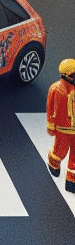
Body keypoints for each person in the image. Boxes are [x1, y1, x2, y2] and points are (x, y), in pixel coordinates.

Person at [47, 59, 75, 193]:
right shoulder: (56, 88)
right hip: (63, 128)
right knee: (60, 151)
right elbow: (51, 108)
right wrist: (51, 126)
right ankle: (53, 163)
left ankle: (71, 181)